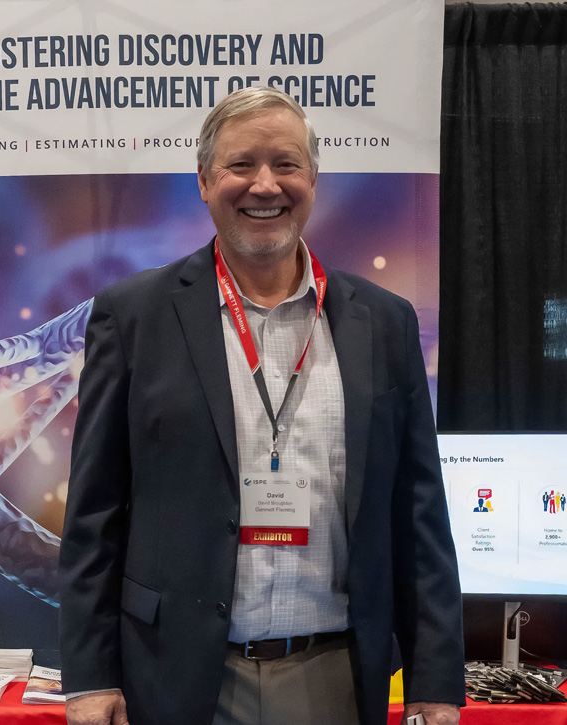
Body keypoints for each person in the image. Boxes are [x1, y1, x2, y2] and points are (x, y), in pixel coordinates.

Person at [59, 86, 465, 725]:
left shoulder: (384, 323)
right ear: (203, 180)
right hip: (175, 679)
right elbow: (94, 515)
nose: (265, 185)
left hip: (335, 677)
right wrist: (88, 677)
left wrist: (435, 682)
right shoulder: (134, 316)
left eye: (287, 164)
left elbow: (420, 514)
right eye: (241, 165)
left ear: (313, 179)